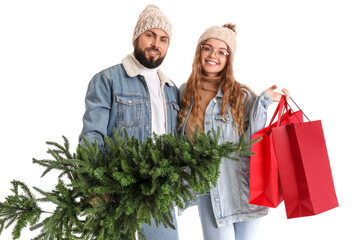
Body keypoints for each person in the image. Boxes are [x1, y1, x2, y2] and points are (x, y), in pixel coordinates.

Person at [178, 23, 290, 240]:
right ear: (199, 51)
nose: (213, 55)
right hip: (209, 190)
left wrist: (263, 103)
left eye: (222, 52)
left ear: (229, 59)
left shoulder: (242, 95)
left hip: (244, 187)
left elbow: (254, 144)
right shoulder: (184, 93)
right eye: (208, 48)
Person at [79, 5, 179, 240]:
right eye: (150, 35)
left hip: (158, 191)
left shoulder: (172, 90)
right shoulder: (107, 80)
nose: (156, 44)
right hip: (116, 187)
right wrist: (95, 183)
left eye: (163, 39)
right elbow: (92, 135)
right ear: (137, 37)